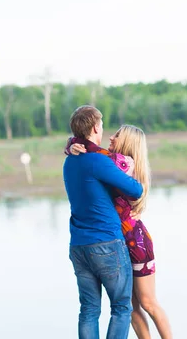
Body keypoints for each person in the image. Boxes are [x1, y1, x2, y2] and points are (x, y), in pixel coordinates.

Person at [66, 124, 173, 339]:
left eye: (117, 135)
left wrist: (73, 146)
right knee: (131, 309)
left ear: (127, 143)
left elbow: (95, 157)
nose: (111, 137)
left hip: (135, 243)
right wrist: (73, 145)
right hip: (117, 244)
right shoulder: (107, 161)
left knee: (148, 302)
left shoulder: (121, 163)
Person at [63, 106, 144, 339]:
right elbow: (135, 190)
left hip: (79, 246)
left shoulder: (70, 161)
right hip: (106, 243)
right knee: (121, 307)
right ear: (96, 127)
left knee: (89, 310)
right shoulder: (98, 161)